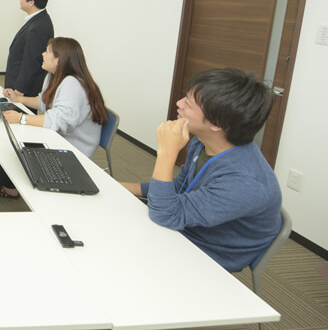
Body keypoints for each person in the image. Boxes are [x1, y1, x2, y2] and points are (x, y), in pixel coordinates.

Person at [120, 68, 282, 272]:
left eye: (187, 103)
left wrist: (167, 153)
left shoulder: (245, 183)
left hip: (208, 254)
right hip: (186, 227)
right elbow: (178, 187)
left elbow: (165, 215)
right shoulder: (203, 143)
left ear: (217, 124)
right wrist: (123, 187)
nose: (179, 103)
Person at [0, 37, 106, 204]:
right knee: (18, 141)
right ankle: (9, 187)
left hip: (72, 150)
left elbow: (58, 122)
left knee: (17, 145)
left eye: (48, 52)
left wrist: (21, 118)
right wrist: (19, 99)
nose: (43, 54)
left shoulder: (73, 84)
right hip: (58, 137)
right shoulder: (53, 77)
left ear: (60, 59)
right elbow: (44, 103)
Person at [4, 0, 53, 100]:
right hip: (18, 85)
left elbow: (31, 62)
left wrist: (20, 89)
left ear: (31, 2)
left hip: (23, 90)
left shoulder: (39, 26)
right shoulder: (36, 20)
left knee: (22, 118)